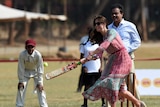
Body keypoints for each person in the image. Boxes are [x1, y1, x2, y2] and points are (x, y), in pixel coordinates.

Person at [80, 15, 146, 107]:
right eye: (95, 24)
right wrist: (87, 59)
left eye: (99, 23)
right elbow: (99, 54)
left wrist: (91, 54)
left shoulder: (112, 32)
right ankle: (138, 104)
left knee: (112, 83)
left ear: (105, 24)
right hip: (113, 61)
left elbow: (105, 45)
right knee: (122, 90)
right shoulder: (101, 38)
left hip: (123, 59)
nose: (97, 25)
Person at [108, 3, 141, 100]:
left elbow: (137, 41)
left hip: (128, 58)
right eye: (112, 14)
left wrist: (126, 50)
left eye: (116, 13)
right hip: (114, 59)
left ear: (122, 14)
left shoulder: (130, 26)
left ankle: (138, 103)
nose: (114, 16)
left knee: (131, 83)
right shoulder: (109, 28)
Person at [16, 39, 48, 107]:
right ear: (25, 47)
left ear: (34, 47)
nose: (30, 49)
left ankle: (44, 105)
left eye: (32, 47)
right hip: (25, 72)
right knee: (21, 88)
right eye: (28, 47)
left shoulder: (38, 55)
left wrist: (40, 82)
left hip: (36, 72)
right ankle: (19, 105)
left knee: (40, 89)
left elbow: (40, 69)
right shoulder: (22, 55)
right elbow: (20, 68)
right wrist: (21, 81)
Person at [80, 28, 105, 107]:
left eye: (94, 33)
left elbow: (101, 56)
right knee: (87, 86)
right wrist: (83, 66)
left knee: (100, 86)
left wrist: (101, 66)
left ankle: (103, 103)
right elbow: (82, 56)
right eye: (91, 33)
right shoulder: (85, 44)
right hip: (88, 68)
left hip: (97, 68)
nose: (92, 35)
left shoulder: (99, 44)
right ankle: (85, 103)